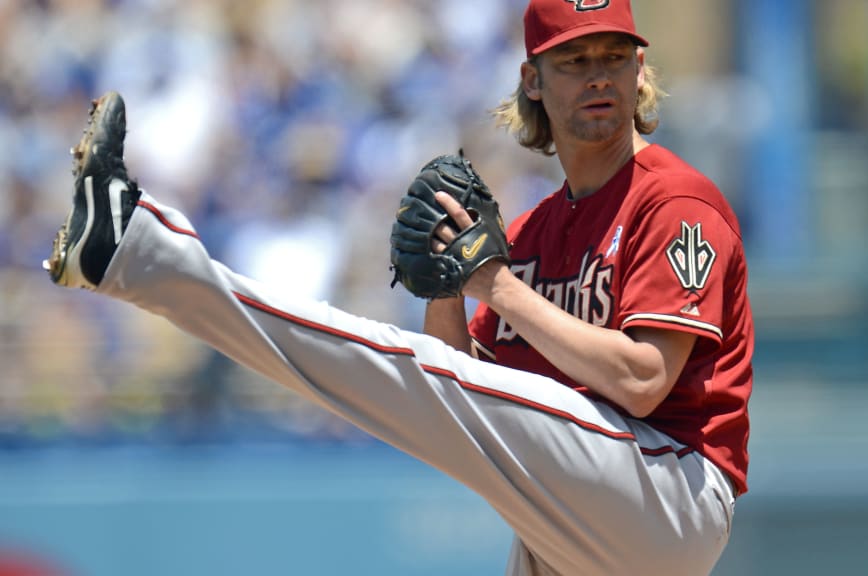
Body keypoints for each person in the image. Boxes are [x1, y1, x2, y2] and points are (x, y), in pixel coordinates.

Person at [44, 1, 752, 574]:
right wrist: (445, 284)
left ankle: (135, 247)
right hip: (576, 521)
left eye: (614, 57)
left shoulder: (675, 202)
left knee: (406, 371)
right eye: (574, 59)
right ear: (533, 79)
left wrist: (494, 284)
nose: (599, 76)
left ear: (640, 70)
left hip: (668, 495)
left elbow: (644, 378)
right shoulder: (536, 230)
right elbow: (462, 392)